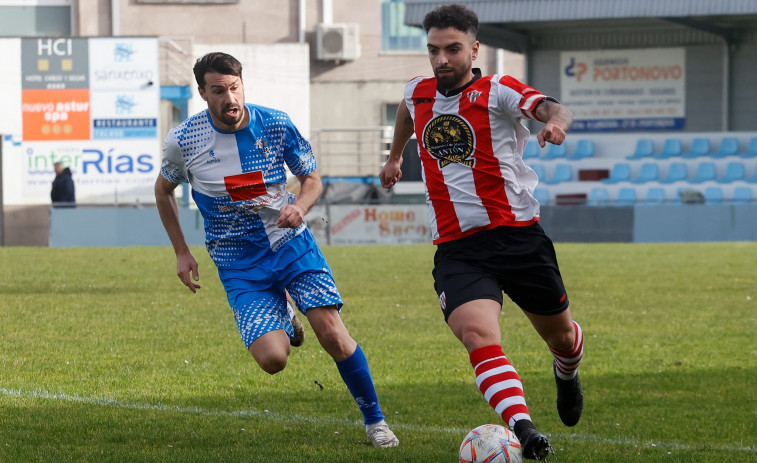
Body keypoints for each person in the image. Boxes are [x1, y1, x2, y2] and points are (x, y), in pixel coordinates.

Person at [155, 52, 399, 448]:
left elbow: (313, 180)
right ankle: (284, 311)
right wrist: (181, 251)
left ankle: (375, 422)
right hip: (237, 261)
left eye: (234, 88)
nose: (229, 98)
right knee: (273, 360)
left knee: (332, 334)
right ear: (203, 93)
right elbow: (163, 192)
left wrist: (299, 208)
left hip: (289, 244)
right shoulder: (184, 140)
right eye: (218, 91)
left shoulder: (275, 123)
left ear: (242, 85)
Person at [379, 4, 583, 460]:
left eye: (452, 49)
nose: (442, 60)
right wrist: (395, 157)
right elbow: (406, 111)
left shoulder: (498, 90)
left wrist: (554, 124)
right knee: (477, 334)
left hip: (518, 238)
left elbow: (554, 106)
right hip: (457, 247)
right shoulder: (419, 90)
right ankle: (524, 430)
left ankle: (567, 371)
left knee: (562, 338)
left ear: (474, 49)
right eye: (433, 50)